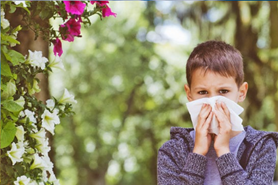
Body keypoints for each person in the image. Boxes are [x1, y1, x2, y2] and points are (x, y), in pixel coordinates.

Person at [157, 40, 278, 185]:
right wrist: (197, 153)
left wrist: (224, 152)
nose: (213, 101)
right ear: (189, 94)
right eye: (203, 92)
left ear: (241, 92)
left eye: (223, 91)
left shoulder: (261, 147)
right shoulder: (172, 151)